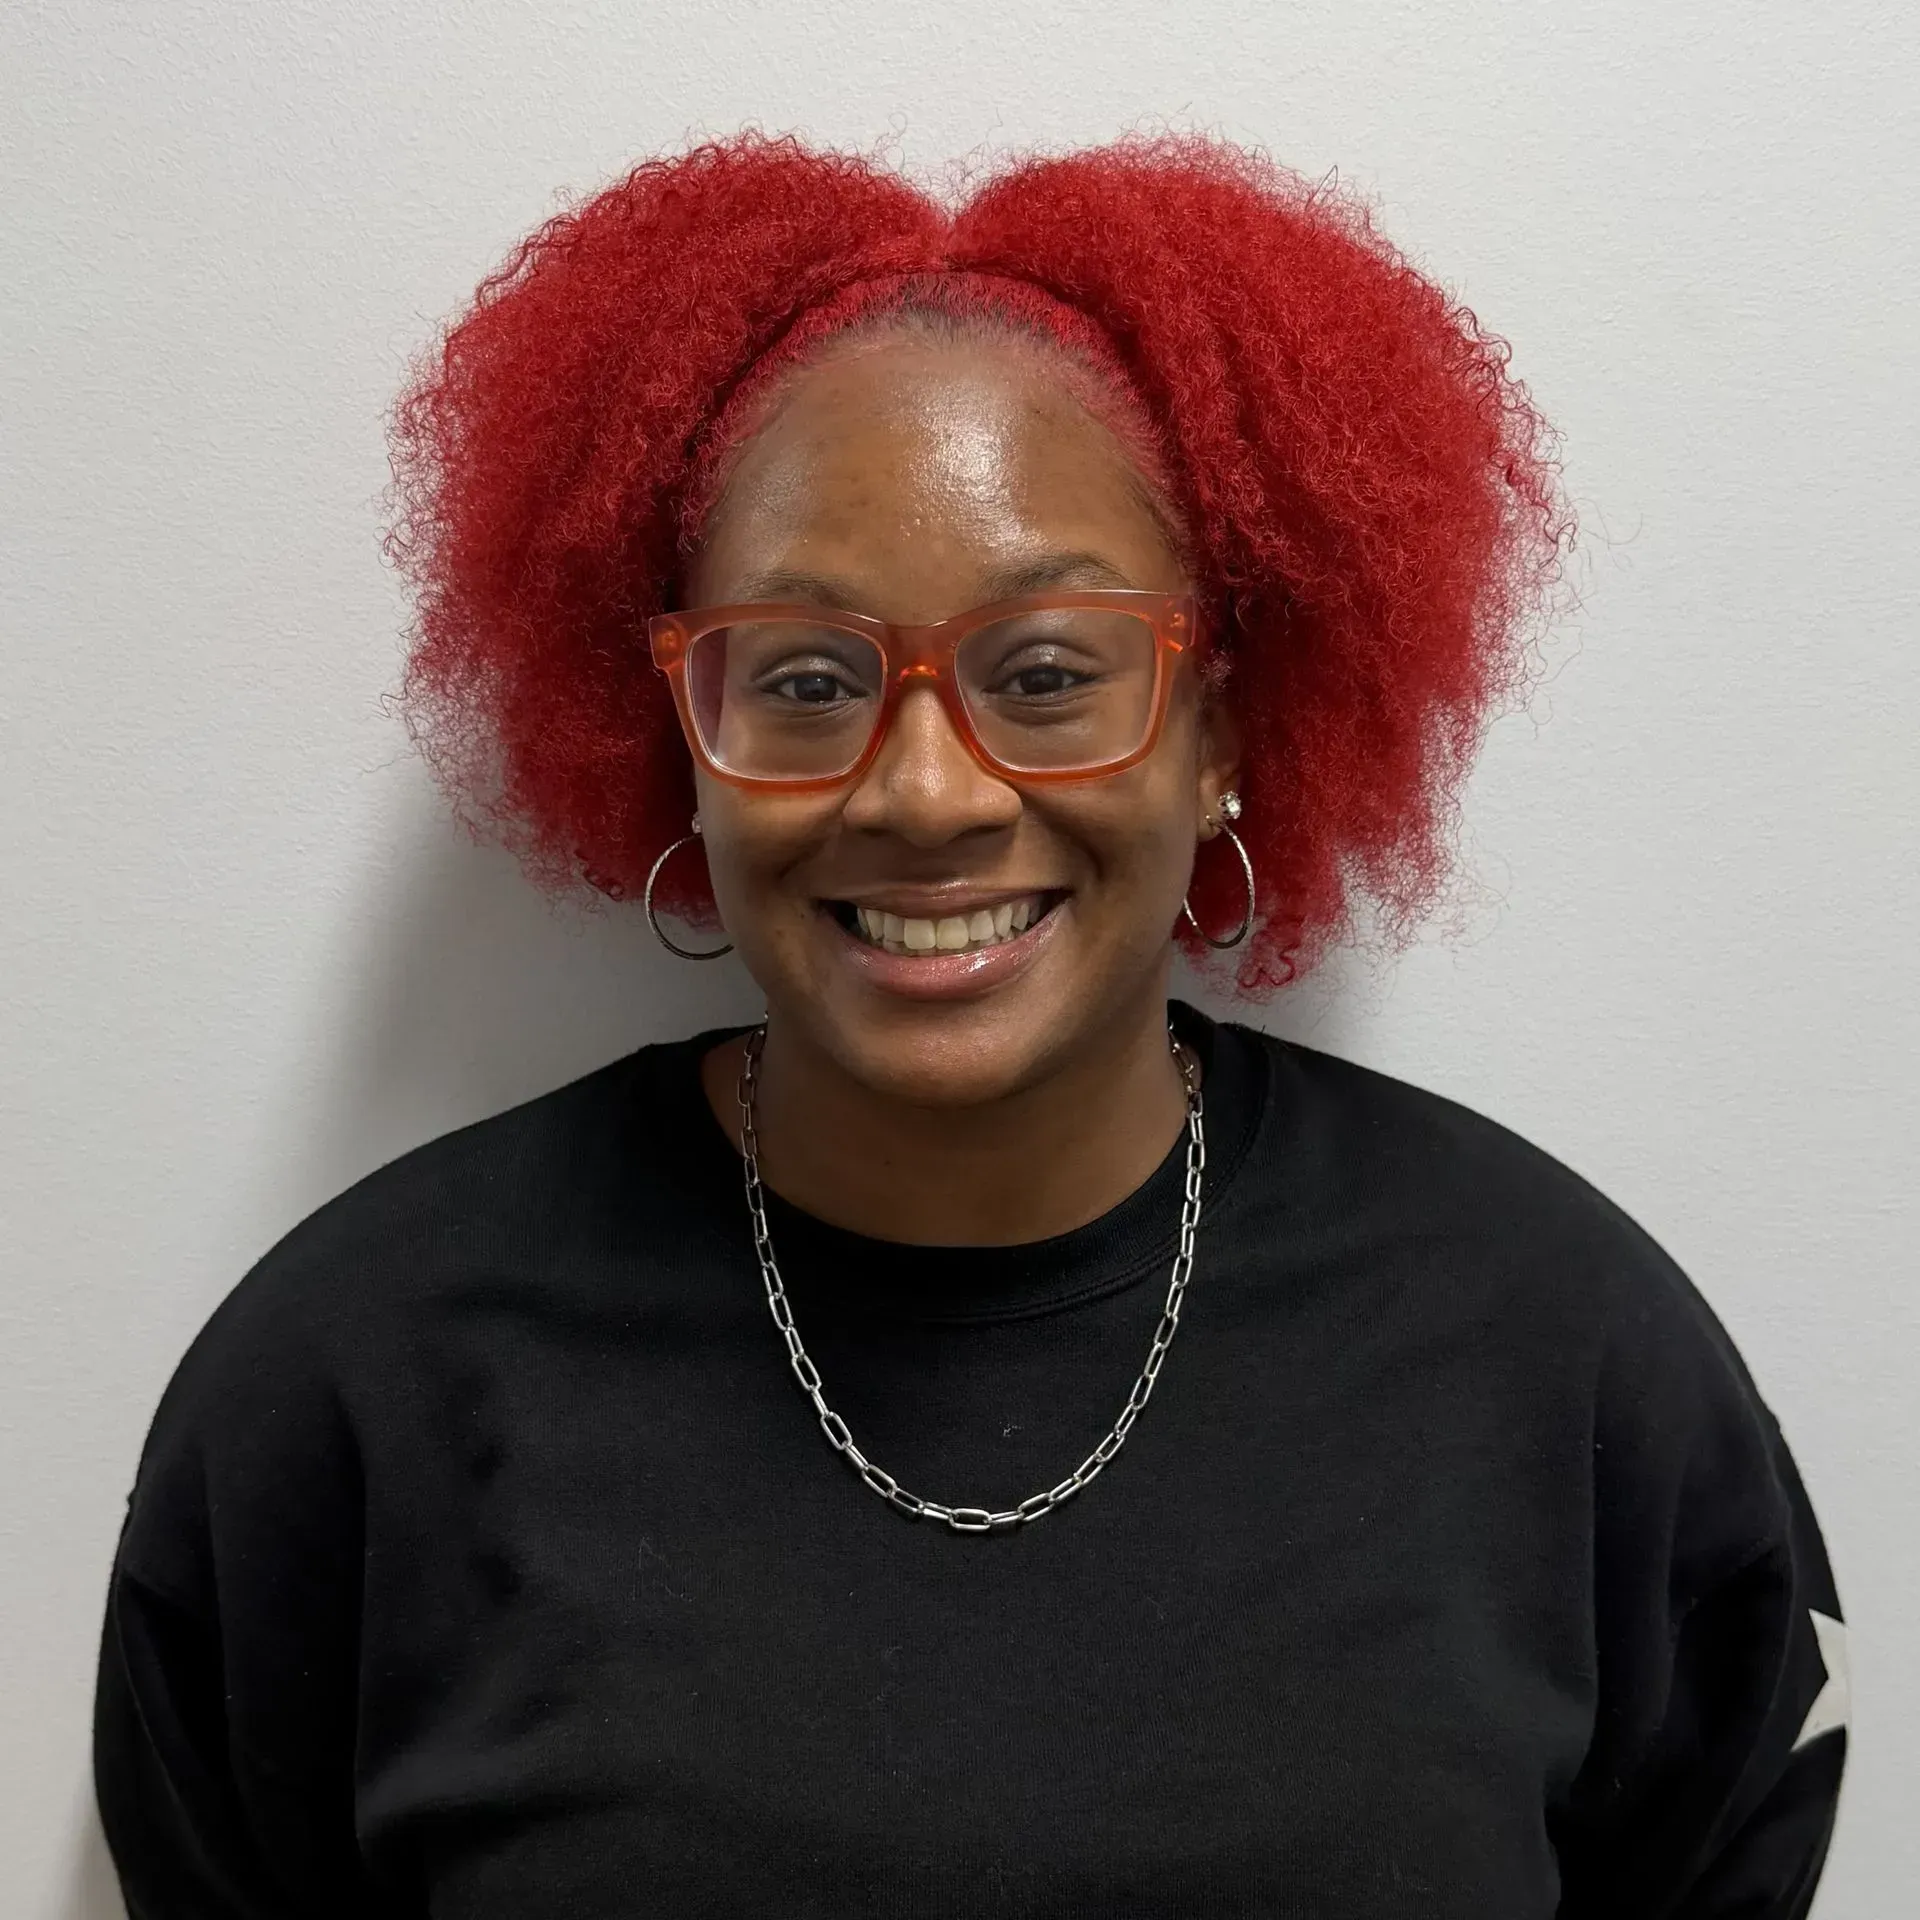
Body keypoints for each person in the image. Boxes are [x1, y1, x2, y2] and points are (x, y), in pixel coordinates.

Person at [93, 133, 1846, 1918]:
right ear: (679, 739)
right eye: (802, 677)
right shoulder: (347, 1393)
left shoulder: (1567, 1365)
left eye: (1049, 670)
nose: (927, 790)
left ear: (1224, 720)